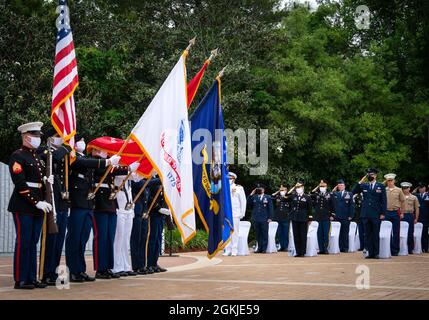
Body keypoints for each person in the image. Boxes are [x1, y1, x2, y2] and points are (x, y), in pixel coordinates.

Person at [65, 135, 121, 282]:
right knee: (74, 238)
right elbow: (86, 162)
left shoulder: (85, 159)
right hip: (77, 202)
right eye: (78, 140)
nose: (81, 142)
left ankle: (80, 270)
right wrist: (107, 161)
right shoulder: (73, 157)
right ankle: (73, 270)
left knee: (82, 239)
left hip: (88, 203)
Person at [8, 121, 52, 289]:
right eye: (35, 136)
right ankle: (21, 279)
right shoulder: (17, 156)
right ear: (26, 137)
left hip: (38, 205)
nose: (38, 139)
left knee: (33, 242)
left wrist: (47, 182)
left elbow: (38, 181)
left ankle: (31, 277)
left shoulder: (37, 157)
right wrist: (37, 202)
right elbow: (20, 184)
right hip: (23, 205)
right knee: (24, 242)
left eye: (38, 136)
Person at [37, 128, 72, 285]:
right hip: (51, 200)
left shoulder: (63, 154)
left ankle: (53, 271)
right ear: (49, 138)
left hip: (62, 201)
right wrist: (67, 146)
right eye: (58, 136)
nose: (61, 139)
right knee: (50, 238)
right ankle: (45, 272)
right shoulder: (44, 151)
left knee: (59, 240)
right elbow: (55, 158)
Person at [91, 148, 127, 279]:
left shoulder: (107, 164)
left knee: (109, 237)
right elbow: (104, 170)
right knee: (101, 237)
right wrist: (112, 163)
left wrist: (130, 169)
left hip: (111, 203)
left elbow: (114, 172)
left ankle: (107, 267)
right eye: (103, 150)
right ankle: (100, 268)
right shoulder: (95, 163)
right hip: (100, 203)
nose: (106, 152)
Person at [112, 166, 140, 277]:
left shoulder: (127, 170)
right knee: (118, 238)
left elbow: (136, 177)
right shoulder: (117, 167)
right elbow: (121, 173)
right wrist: (130, 168)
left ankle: (126, 266)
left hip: (128, 207)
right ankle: (116, 266)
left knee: (126, 238)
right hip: (119, 206)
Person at [352, 168, 387, 259]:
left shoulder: (380, 186)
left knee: (375, 233)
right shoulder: (364, 185)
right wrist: (360, 182)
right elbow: (353, 191)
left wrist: (383, 213)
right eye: (369, 175)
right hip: (366, 214)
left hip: (376, 213)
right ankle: (370, 253)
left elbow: (384, 200)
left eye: (372, 175)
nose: (370, 176)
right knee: (367, 234)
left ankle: (376, 253)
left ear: (375, 176)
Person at [146, 177, 168, 273]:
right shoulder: (151, 178)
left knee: (158, 239)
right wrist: (158, 207)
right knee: (152, 239)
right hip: (153, 212)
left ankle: (154, 263)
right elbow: (148, 195)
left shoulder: (160, 177)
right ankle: (149, 264)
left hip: (161, 214)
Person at [130, 178, 151, 274]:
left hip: (144, 211)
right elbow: (139, 184)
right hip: (137, 211)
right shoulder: (136, 178)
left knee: (143, 239)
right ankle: (136, 266)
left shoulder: (145, 179)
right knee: (136, 239)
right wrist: (162, 179)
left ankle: (142, 265)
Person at [223, 172, 246, 256]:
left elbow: (243, 201)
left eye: (231, 178)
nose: (229, 180)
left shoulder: (239, 188)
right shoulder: (223, 188)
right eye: (228, 178)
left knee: (235, 232)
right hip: (226, 214)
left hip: (235, 213)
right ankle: (227, 249)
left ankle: (234, 250)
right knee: (226, 231)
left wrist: (242, 213)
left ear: (234, 179)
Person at [288, 180, 313, 257]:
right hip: (295, 218)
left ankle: (302, 252)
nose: (298, 189)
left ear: (303, 188)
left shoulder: (307, 197)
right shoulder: (293, 196)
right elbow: (285, 196)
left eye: (299, 187)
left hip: (303, 218)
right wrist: (293, 188)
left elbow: (310, 208)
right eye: (297, 187)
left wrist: (310, 218)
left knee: (303, 235)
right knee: (296, 236)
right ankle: (298, 252)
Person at [248, 183, 273, 253]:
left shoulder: (267, 197)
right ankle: (259, 248)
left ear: (263, 190)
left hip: (264, 218)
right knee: (258, 234)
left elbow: (270, 208)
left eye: (260, 189)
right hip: (256, 218)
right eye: (258, 189)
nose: (259, 190)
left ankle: (264, 249)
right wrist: (251, 194)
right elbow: (248, 203)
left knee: (264, 233)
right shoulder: (254, 197)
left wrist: (270, 217)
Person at [310, 180, 334, 254]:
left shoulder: (330, 194)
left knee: (326, 233)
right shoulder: (317, 194)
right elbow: (311, 193)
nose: (322, 188)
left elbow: (333, 205)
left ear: (326, 187)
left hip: (326, 216)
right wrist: (317, 186)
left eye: (323, 186)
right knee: (319, 233)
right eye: (321, 186)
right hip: (318, 217)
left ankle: (325, 248)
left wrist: (332, 215)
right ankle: (321, 249)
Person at [384, 173, 405, 256]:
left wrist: (402, 212)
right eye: (388, 181)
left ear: (394, 181)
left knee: (396, 232)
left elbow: (403, 201)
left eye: (391, 180)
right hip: (386, 212)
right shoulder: (384, 190)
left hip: (396, 212)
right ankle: (387, 248)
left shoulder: (399, 190)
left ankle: (395, 250)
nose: (390, 182)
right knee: (386, 232)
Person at [332, 179, 354, 252]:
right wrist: (333, 191)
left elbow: (351, 205)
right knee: (338, 233)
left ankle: (345, 248)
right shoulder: (335, 194)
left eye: (342, 185)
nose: (340, 186)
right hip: (337, 216)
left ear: (344, 186)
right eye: (339, 185)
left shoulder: (349, 194)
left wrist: (351, 215)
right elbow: (331, 201)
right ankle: (339, 247)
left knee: (345, 232)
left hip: (346, 216)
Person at [401, 182, 419, 254]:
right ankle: (401, 247)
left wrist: (416, 218)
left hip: (410, 215)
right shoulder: (400, 196)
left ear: (409, 188)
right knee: (400, 232)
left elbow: (417, 208)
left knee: (410, 232)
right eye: (403, 188)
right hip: (401, 215)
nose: (405, 190)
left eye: (406, 188)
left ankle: (410, 248)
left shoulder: (414, 197)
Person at [272, 185, 290, 252]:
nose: (282, 191)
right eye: (281, 190)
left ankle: (285, 246)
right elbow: (271, 196)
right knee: (279, 233)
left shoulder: (288, 197)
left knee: (285, 233)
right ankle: (281, 246)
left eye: (283, 190)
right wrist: (277, 192)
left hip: (286, 217)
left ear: (286, 191)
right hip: (278, 217)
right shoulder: (277, 197)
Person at [414, 183, 429, 252]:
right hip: (419, 216)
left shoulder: (428, 195)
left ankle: (426, 248)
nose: (421, 189)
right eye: (419, 188)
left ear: (425, 188)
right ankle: (420, 247)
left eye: (422, 187)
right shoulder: (416, 195)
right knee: (418, 233)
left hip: (426, 217)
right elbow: (411, 193)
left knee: (425, 233)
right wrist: (416, 188)